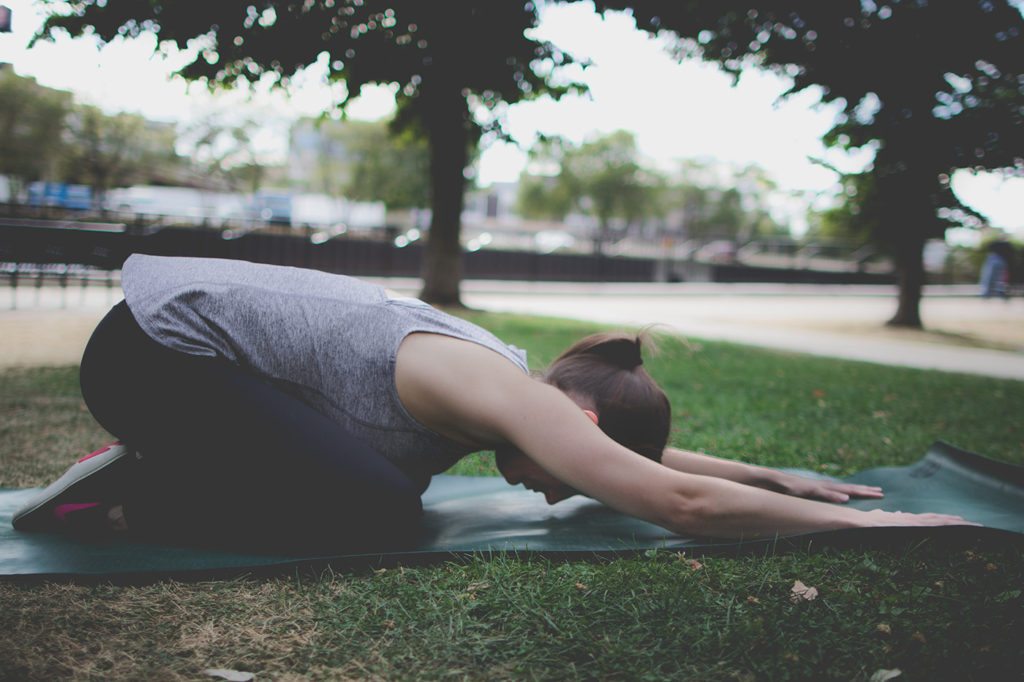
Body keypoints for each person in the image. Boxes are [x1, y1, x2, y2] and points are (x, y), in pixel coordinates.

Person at [14, 254, 971, 550]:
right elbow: (674, 503)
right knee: (377, 506)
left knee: (384, 489)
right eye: (581, 470)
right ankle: (136, 493)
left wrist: (762, 472)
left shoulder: (523, 395)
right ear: (579, 423)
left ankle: (174, 461)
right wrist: (874, 528)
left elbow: (647, 469)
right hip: (151, 355)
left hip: (180, 358)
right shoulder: (497, 388)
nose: (560, 496)